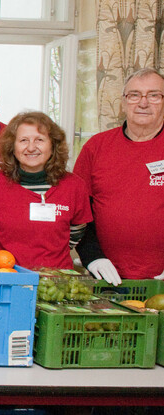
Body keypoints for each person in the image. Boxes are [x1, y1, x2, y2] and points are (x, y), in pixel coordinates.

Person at [75, 68, 164, 284]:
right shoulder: (96, 147)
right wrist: (92, 257)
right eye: (134, 95)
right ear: (123, 102)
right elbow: (78, 211)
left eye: (154, 95)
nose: (143, 103)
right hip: (106, 276)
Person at [0, 112, 90, 269]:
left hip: (55, 282)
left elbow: (77, 231)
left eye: (39, 140)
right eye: (23, 140)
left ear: (53, 144)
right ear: (12, 146)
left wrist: (52, 254)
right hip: (6, 278)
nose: (31, 148)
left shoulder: (74, 186)